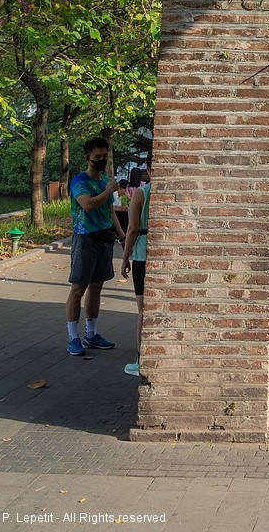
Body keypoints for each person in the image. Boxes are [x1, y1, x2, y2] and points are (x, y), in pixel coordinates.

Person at [65, 137, 125, 356]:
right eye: (97, 156)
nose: (101, 160)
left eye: (104, 156)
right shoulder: (79, 181)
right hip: (85, 239)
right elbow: (88, 205)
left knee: (96, 287)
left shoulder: (105, 181)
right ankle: (73, 338)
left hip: (104, 239)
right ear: (87, 158)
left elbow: (110, 212)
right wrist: (109, 191)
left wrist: (122, 236)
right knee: (78, 288)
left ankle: (91, 334)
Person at [120, 151, 151, 377]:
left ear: (148, 168)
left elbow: (132, 229)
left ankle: (141, 359)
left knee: (142, 309)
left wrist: (124, 257)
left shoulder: (141, 193)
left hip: (141, 253)